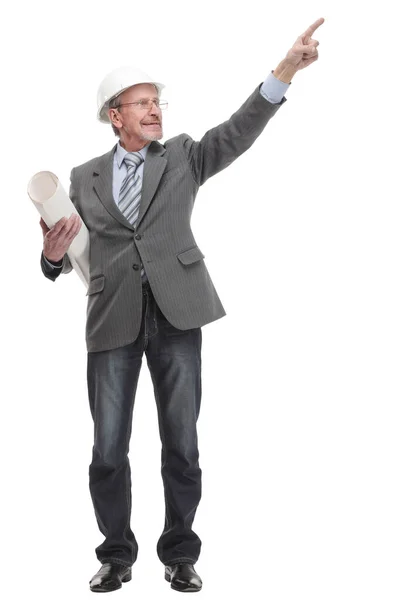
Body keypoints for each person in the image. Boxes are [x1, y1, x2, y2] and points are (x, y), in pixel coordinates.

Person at [39, 17, 324, 594]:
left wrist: (285, 70)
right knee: (107, 451)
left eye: (156, 102)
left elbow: (240, 130)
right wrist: (49, 256)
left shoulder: (185, 157)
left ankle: (181, 553)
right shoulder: (81, 176)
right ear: (114, 116)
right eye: (140, 104)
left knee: (183, 444)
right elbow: (64, 257)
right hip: (111, 319)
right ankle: (116, 554)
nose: (154, 111)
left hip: (178, 314)